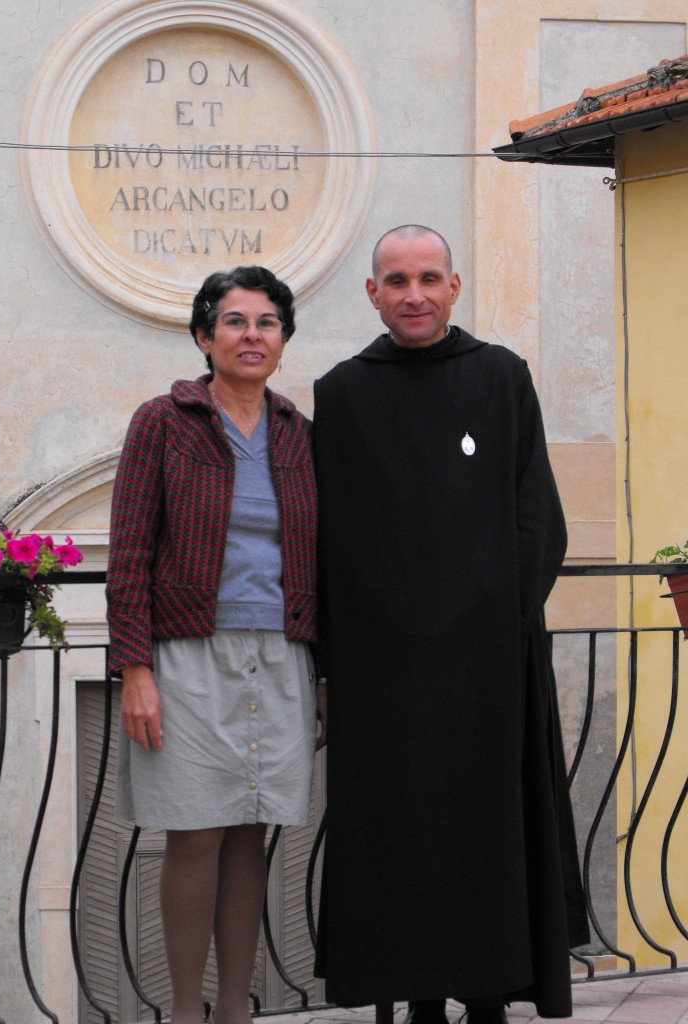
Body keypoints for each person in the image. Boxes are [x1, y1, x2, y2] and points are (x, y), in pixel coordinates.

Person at [312, 226, 589, 1024]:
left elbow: (539, 517)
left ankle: (492, 996)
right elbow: (330, 540)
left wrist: (499, 622)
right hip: (383, 674)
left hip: (490, 664)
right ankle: (416, 1000)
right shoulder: (341, 394)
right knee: (399, 843)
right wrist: (336, 664)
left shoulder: (502, 378)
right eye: (396, 280)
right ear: (373, 293)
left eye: (429, 277)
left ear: (455, 285)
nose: (414, 294)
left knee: (488, 837)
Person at [106, 265, 325, 1024]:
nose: (251, 335)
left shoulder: (300, 433)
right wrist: (135, 668)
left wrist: (324, 673)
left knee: (249, 833)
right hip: (188, 654)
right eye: (234, 321)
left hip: (281, 654)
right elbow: (129, 553)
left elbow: (323, 562)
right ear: (205, 337)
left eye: (267, 322)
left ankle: (236, 1009)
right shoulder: (162, 422)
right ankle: (183, 1011)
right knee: (195, 831)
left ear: (284, 339)